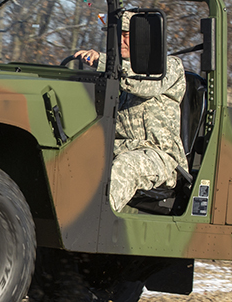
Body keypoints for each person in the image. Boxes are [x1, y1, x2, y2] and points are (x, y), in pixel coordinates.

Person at [73, 12, 187, 212]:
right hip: (118, 148)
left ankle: (90, 226)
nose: (122, 41)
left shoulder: (169, 67)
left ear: (141, 39)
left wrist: (103, 62)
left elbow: (146, 84)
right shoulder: (113, 76)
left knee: (126, 167)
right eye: (118, 35)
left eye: (127, 35)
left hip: (159, 158)